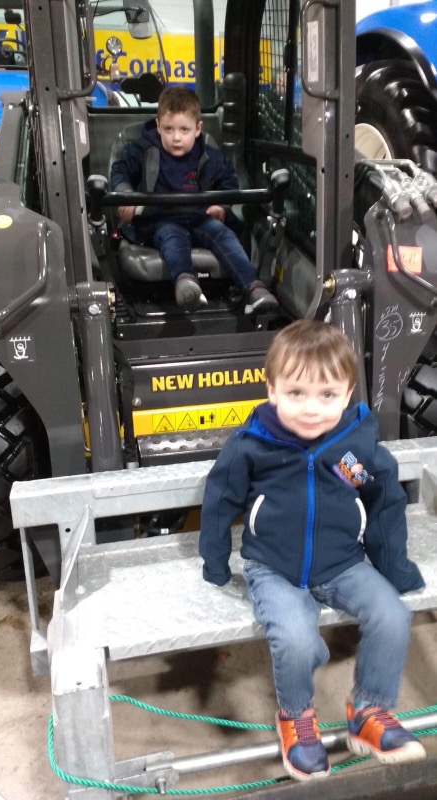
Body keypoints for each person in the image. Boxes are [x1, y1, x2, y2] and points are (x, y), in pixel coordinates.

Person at [199, 320, 426, 782]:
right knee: (296, 640)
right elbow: (220, 500)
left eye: (327, 395)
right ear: (272, 390)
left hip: (343, 563)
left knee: (392, 616)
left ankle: (369, 712)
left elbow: (382, 498)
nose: (310, 408)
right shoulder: (253, 445)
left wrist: (394, 568)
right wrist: (215, 563)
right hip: (273, 569)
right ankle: (296, 717)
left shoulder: (349, 451)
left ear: (347, 395)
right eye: (296, 393)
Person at [110, 85, 279, 313]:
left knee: (223, 234)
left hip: (199, 218)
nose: (176, 137)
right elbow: (119, 171)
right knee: (172, 235)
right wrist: (126, 195)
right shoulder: (142, 150)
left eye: (184, 130)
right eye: (168, 129)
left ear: (198, 129)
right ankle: (186, 284)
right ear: (158, 126)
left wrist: (220, 205)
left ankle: (254, 289)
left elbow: (228, 180)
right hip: (159, 219)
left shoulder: (209, 155)